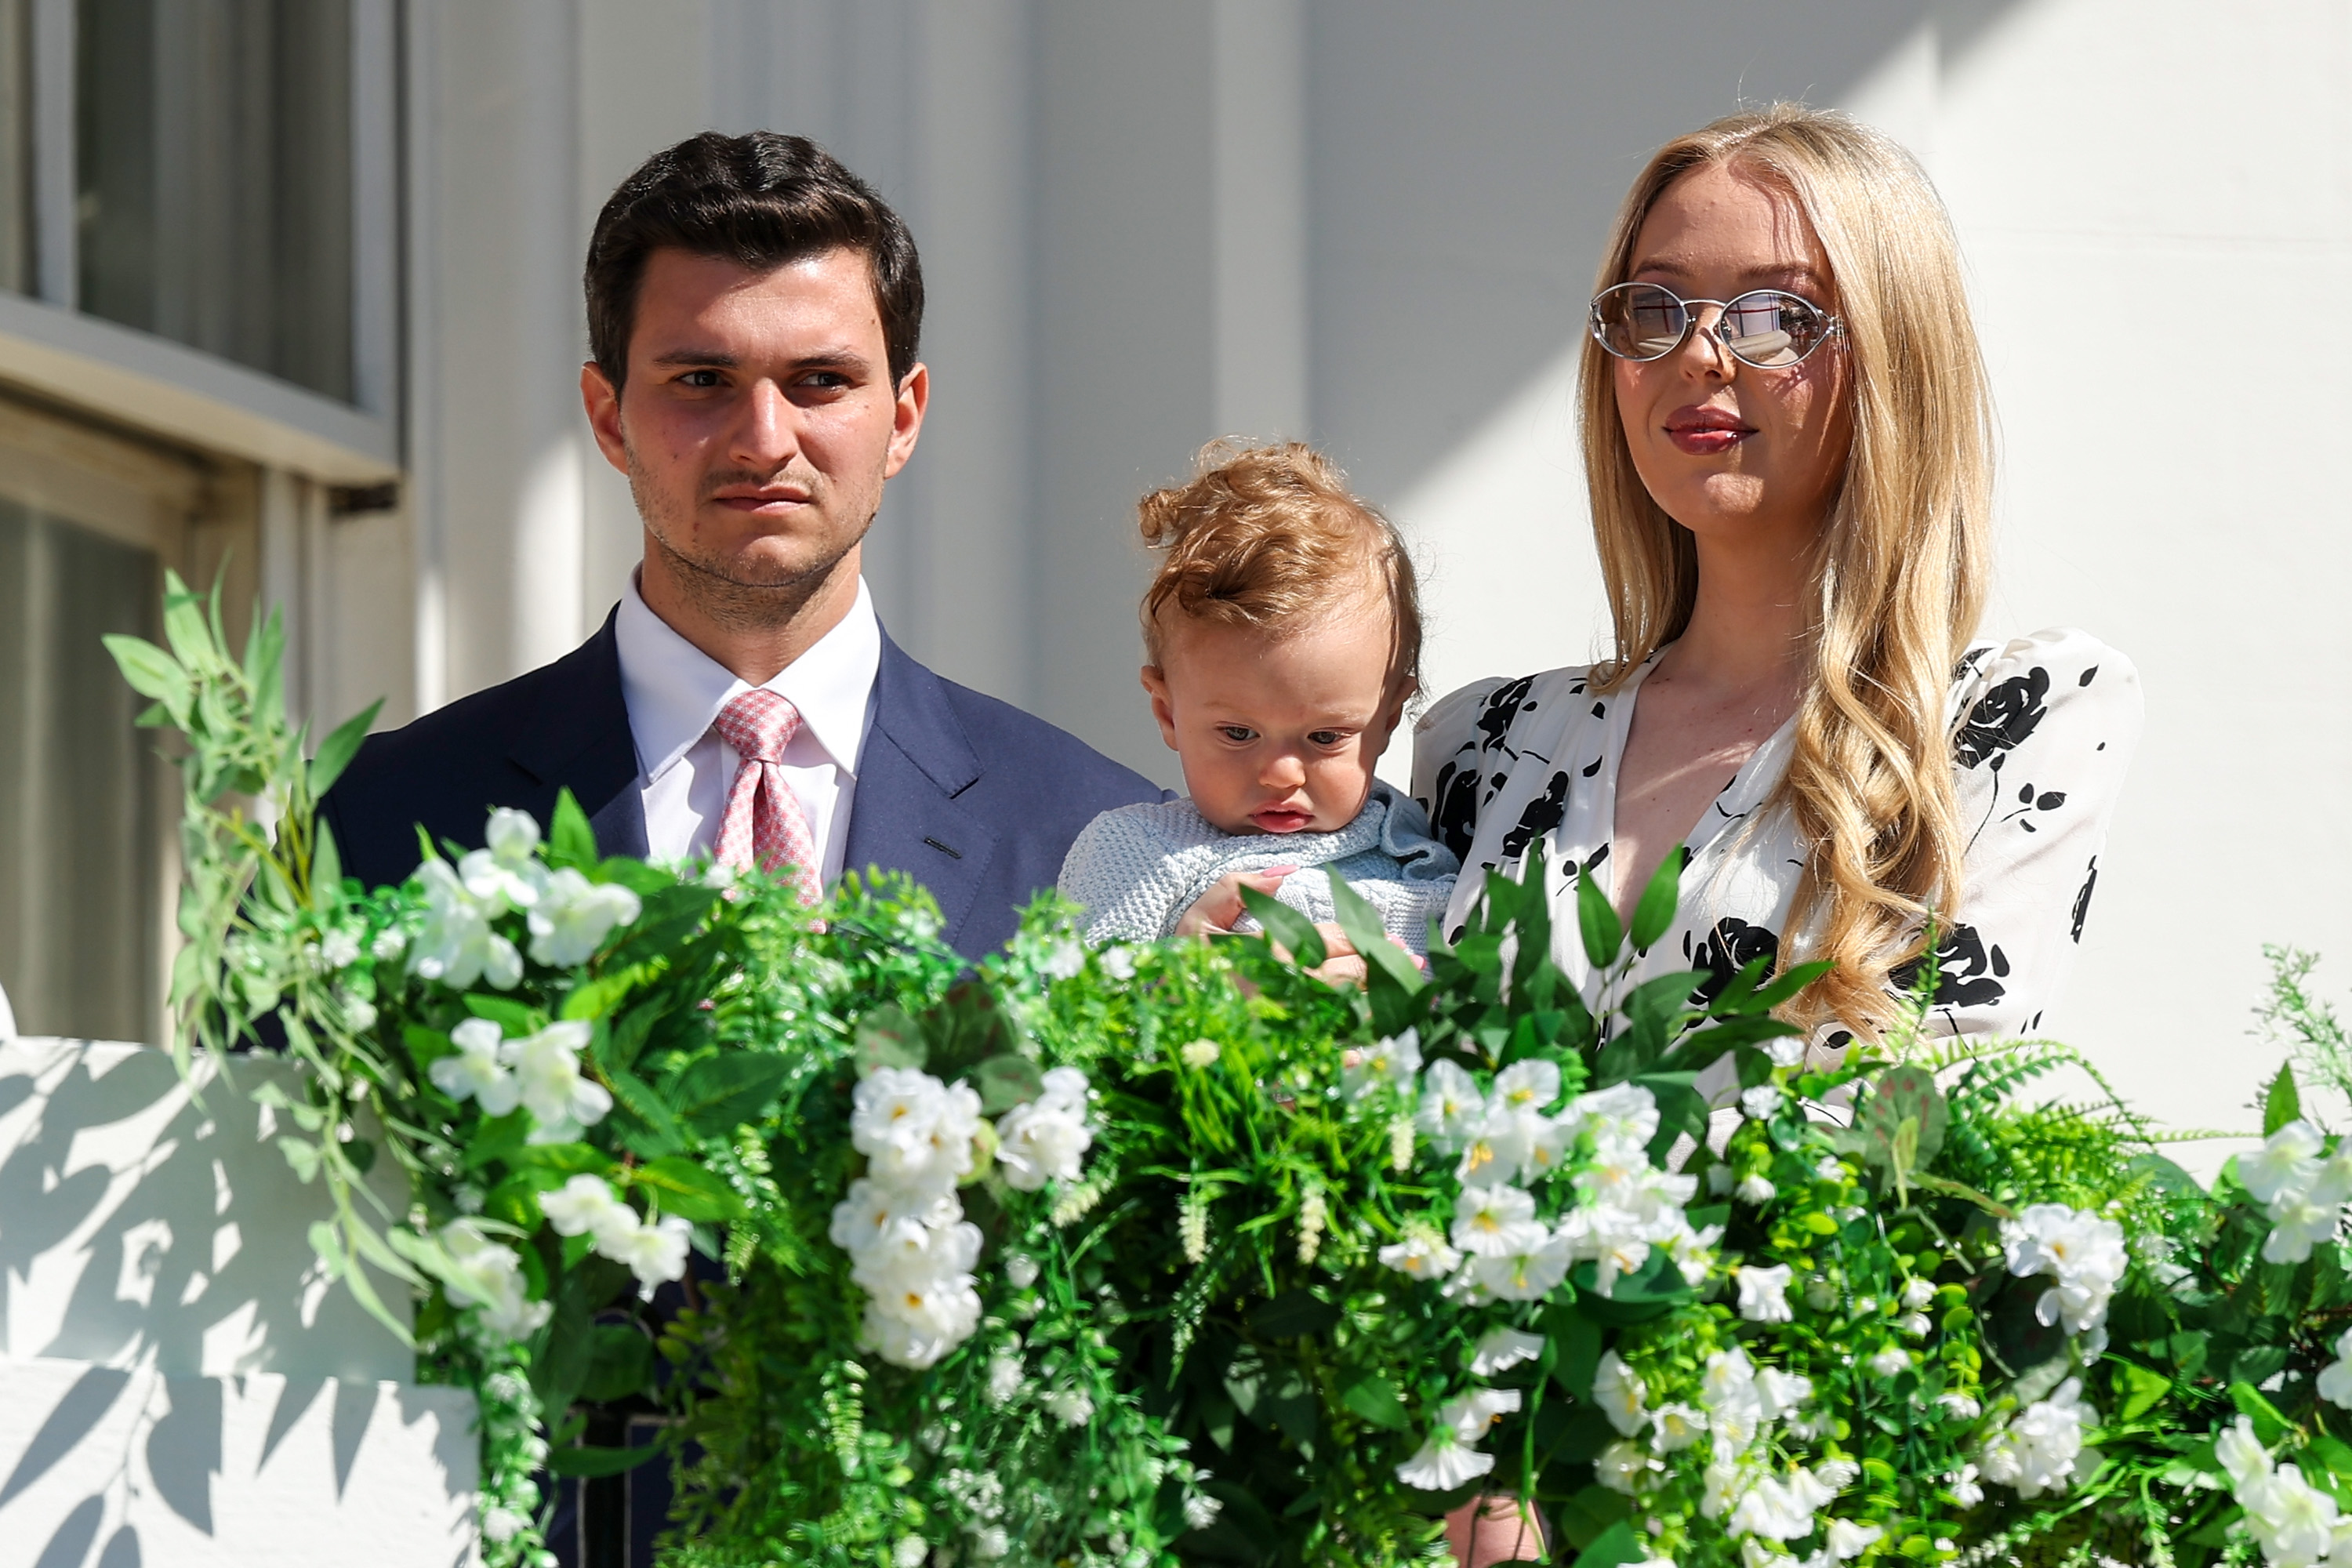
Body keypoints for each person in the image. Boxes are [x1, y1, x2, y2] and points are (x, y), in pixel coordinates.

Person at [1414, 102, 2143, 1071]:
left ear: (1894, 355)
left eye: (1776, 315)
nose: (1698, 354)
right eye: (1654, 307)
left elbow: (1917, 1115)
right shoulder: (1484, 742)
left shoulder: (2003, 723)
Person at [324, 132, 1161, 967]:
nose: (764, 441)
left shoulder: (1104, 840)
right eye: (701, 381)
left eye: (821, 381)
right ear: (609, 417)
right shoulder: (370, 818)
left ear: (903, 420)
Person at [1058, 442, 1457, 952]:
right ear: (1167, 712)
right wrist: (1179, 983)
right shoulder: (1135, 853)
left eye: (1325, 737)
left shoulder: (1420, 849)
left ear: (1390, 716)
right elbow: (1069, 997)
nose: (1282, 775)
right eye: (1239, 733)